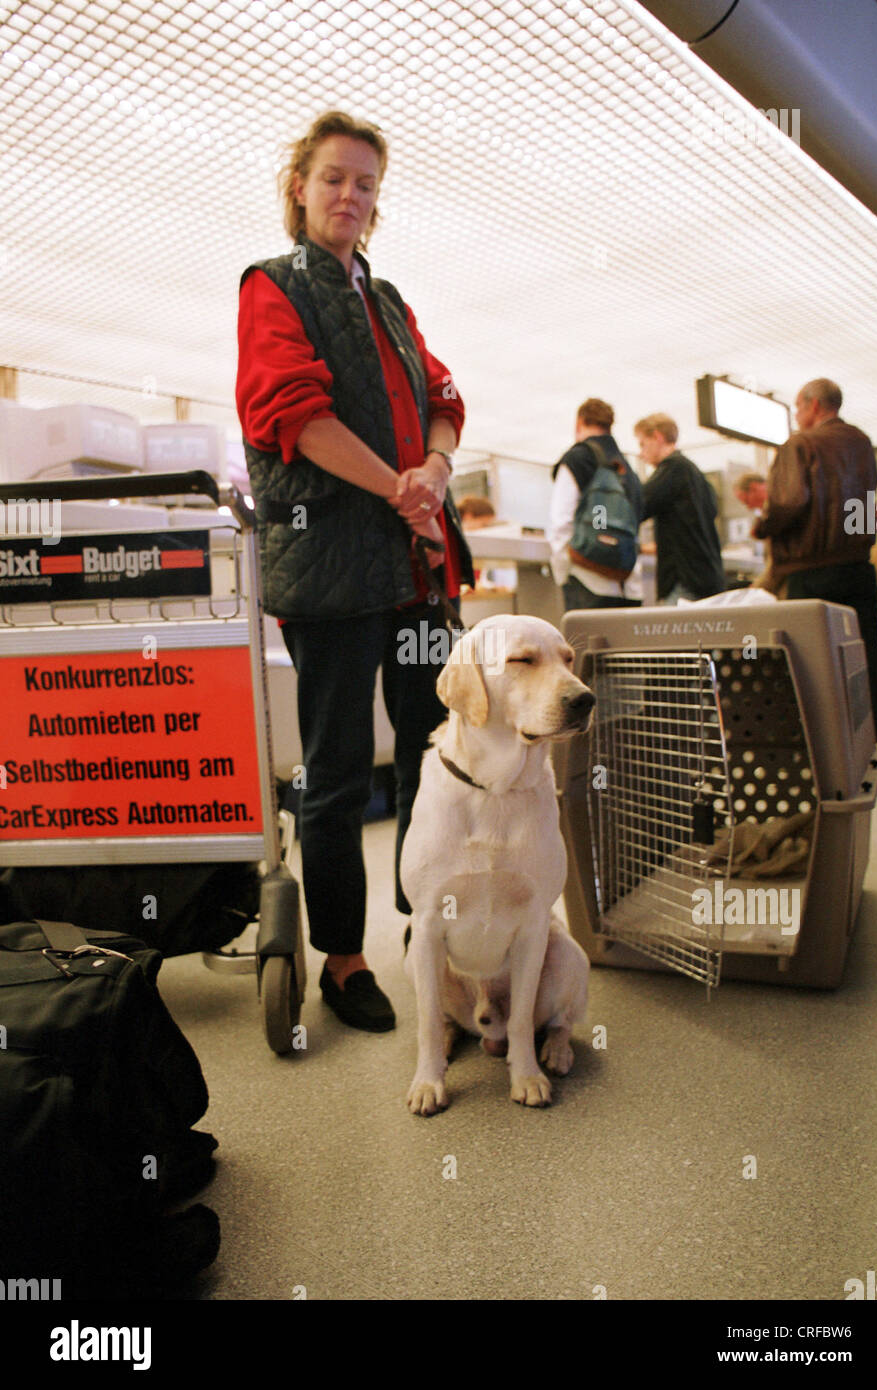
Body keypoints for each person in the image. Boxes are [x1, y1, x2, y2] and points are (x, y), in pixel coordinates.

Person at [235, 110, 473, 1032]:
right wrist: (400, 490)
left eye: (366, 183)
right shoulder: (273, 287)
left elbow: (445, 396)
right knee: (335, 771)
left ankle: (427, 930)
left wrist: (438, 472)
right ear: (300, 185)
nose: (351, 195)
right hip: (334, 570)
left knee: (435, 752)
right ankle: (342, 957)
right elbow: (293, 412)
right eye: (335, 178)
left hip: (416, 572)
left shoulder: (388, 299)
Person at [752, 378, 877, 741]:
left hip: (809, 572)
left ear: (812, 406)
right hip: (858, 567)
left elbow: (790, 501)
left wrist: (763, 526)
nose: (796, 416)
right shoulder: (861, 441)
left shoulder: (801, 444)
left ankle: (816, 748)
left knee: (808, 664)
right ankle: (875, 745)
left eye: (797, 408)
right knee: (862, 659)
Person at [549, 397, 644, 610]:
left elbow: (561, 522)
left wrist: (563, 573)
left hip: (588, 582)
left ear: (579, 423)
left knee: (586, 644)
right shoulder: (628, 469)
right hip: (630, 584)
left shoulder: (576, 458)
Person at [634, 413, 725, 604]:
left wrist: (599, 516)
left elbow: (636, 507)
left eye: (643, 444)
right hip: (708, 578)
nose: (641, 454)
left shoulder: (673, 468)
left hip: (685, 583)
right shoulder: (697, 475)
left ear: (657, 437)